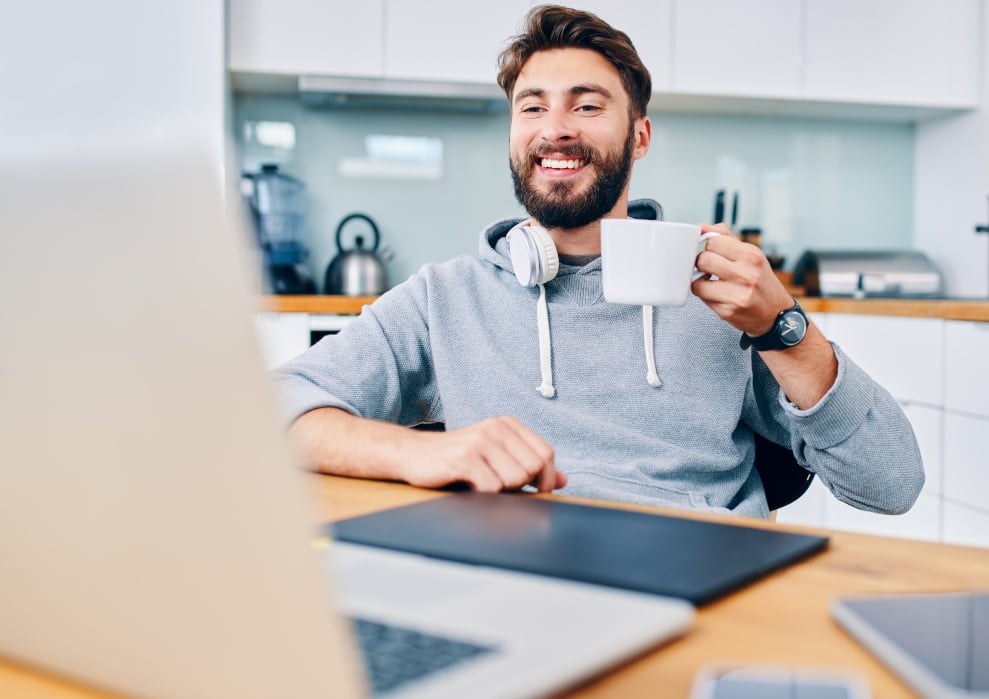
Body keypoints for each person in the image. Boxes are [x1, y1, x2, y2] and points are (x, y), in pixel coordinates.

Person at [275, 4, 923, 519]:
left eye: (586, 105)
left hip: (703, 582)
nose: (556, 128)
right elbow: (267, 410)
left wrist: (785, 327)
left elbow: (892, 484)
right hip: (518, 582)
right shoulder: (445, 299)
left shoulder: (726, 300)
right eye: (533, 106)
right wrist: (420, 450)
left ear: (639, 135)